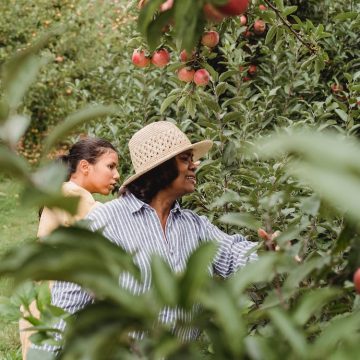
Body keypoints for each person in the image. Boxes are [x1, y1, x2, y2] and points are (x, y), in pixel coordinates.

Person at [46, 121, 262, 351]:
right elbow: (65, 306)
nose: (195, 165)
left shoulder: (194, 225)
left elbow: (233, 255)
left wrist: (272, 251)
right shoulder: (104, 223)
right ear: (161, 168)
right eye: (185, 159)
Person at [20, 137, 120, 360]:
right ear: (85, 166)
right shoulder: (72, 195)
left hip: (46, 304)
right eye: (111, 166)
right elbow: (113, 228)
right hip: (52, 308)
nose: (117, 175)